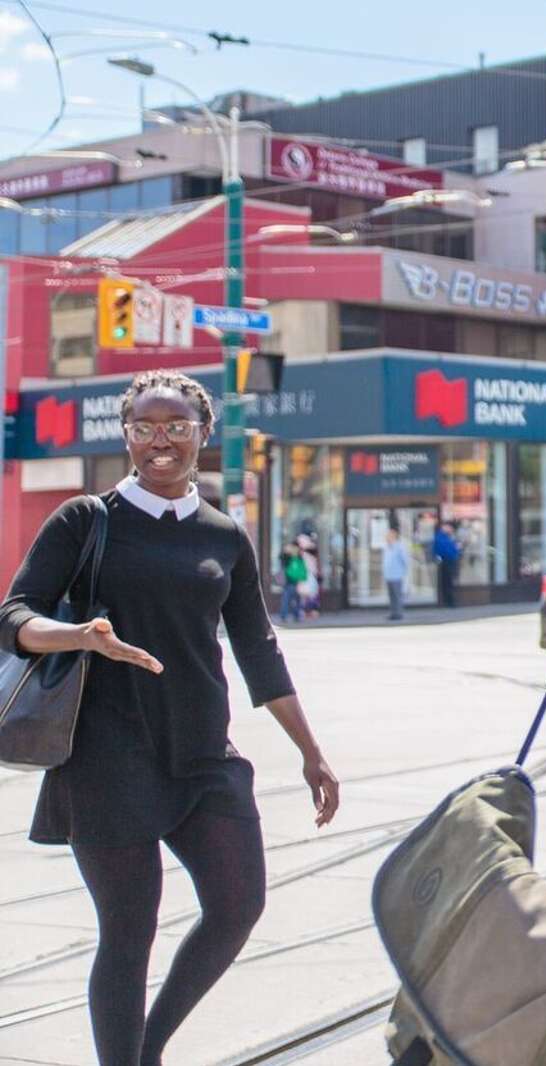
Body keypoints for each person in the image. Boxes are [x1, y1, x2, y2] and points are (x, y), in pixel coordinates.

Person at [0, 370, 340, 1066]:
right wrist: (79, 635)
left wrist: (310, 751)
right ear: (125, 434)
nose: (160, 441)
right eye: (144, 427)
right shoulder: (84, 520)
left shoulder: (223, 534)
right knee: (129, 934)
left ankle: (145, 1051)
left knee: (238, 905)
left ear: (202, 436)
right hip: (106, 755)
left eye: (176, 427)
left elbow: (258, 649)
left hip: (203, 756)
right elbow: (13, 616)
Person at [382, 525, 412, 621]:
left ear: (394, 536)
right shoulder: (386, 547)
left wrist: (404, 572)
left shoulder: (399, 546)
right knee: (391, 596)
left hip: (397, 575)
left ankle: (398, 613)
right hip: (389, 575)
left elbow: (405, 560)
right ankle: (393, 613)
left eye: (389, 535)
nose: (387, 537)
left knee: (397, 595)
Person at [431, 521, 461, 607]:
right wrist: (456, 549)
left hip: (449, 562)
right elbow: (444, 551)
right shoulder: (440, 537)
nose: (451, 529)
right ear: (445, 527)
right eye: (450, 527)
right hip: (446, 562)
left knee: (448, 582)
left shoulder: (446, 537)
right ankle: (449, 602)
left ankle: (449, 601)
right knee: (448, 582)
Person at [278, 542, 307, 625]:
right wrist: (285, 552)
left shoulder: (298, 557)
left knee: (295, 600)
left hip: (297, 582)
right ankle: (285, 616)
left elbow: (302, 568)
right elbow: (281, 559)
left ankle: (295, 615)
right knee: (287, 599)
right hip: (288, 582)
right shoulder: (288, 557)